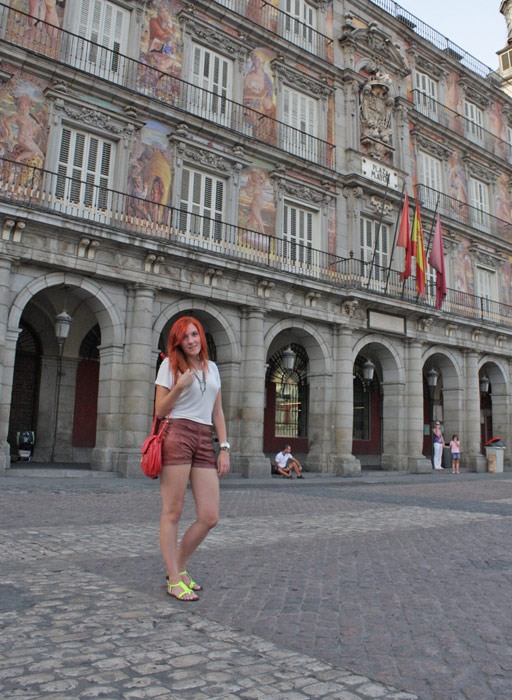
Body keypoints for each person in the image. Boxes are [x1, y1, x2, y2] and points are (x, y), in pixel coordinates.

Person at [154, 316, 230, 601]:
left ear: (202, 337)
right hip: (177, 434)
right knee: (172, 511)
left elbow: (218, 412)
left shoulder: (213, 369)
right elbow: (160, 409)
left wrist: (224, 447)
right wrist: (180, 385)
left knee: (209, 516)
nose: (191, 341)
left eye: (194, 335)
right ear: (178, 342)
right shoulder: (169, 366)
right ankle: (174, 577)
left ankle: (180, 565)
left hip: (204, 437)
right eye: (185, 337)